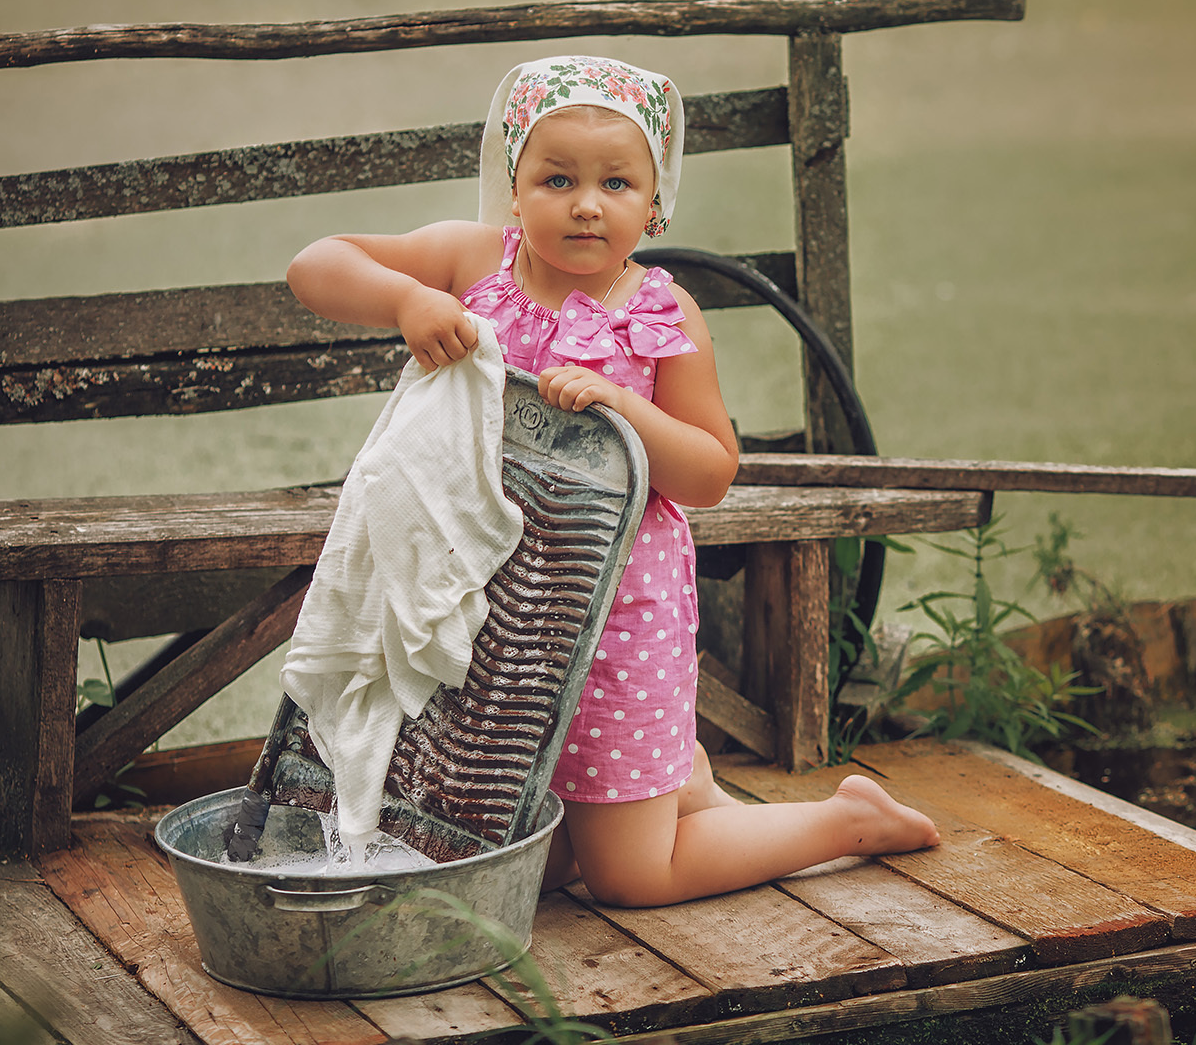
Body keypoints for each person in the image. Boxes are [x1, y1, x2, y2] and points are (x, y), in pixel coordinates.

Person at [286, 54, 939, 906]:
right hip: (494, 613)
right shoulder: (471, 263)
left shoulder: (660, 314)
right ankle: (677, 785)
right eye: (557, 178)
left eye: (617, 182)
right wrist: (406, 302)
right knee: (523, 850)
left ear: (654, 200)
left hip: (616, 617)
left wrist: (625, 410)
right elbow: (315, 264)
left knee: (629, 875)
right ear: (514, 187)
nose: (586, 203)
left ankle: (845, 821)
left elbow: (710, 471)